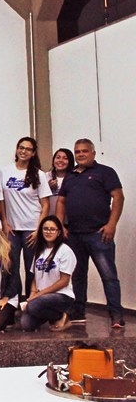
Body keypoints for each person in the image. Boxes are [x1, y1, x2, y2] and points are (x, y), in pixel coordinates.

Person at [56, 138, 125, 327]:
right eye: (77, 152)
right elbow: (61, 201)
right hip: (74, 235)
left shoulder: (105, 172)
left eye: (84, 151)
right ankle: (78, 311)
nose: (80, 154)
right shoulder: (70, 176)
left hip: (99, 234)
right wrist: (61, 226)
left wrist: (112, 224)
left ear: (93, 153)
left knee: (108, 275)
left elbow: (118, 197)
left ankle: (116, 315)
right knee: (77, 275)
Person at [1, 136, 50, 301]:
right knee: (12, 268)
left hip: (32, 228)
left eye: (28, 149)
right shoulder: (4, 172)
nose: (24, 151)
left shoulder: (39, 175)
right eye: (21, 147)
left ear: (33, 153)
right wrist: (5, 223)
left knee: (31, 268)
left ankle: (31, 302)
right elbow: (1, 201)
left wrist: (39, 230)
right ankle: (14, 303)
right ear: (16, 149)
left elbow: (45, 205)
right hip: (12, 229)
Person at [20, 216, 77, 332]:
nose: (48, 232)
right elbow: (35, 278)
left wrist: (38, 295)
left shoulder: (65, 251)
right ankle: (56, 317)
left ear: (59, 232)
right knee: (25, 324)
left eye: (52, 229)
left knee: (33, 306)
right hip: (42, 298)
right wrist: (32, 294)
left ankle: (63, 315)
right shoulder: (39, 250)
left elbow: (64, 281)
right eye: (45, 229)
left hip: (62, 296)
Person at [47, 147, 75, 217]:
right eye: (58, 157)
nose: (60, 160)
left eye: (65, 158)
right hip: (49, 220)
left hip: (68, 220)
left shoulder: (74, 177)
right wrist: (48, 188)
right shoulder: (46, 176)